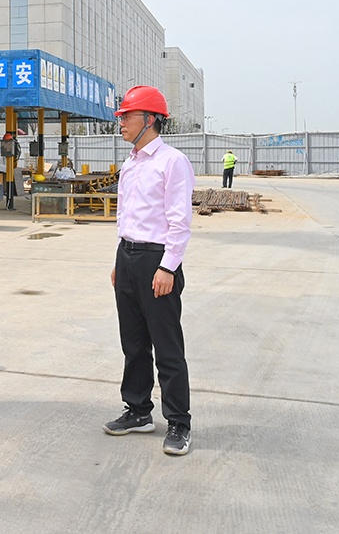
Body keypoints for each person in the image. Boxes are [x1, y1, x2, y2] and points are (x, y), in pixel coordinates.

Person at [103, 85, 195, 456]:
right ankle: (138, 410)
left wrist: (168, 267)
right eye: (122, 116)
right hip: (127, 258)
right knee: (134, 342)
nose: (121, 122)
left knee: (167, 346)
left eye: (127, 116)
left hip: (157, 261)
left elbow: (179, 220)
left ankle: (179, 422)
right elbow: (125, 216)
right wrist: (119, 260)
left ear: (150, 119)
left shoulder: (172, 162)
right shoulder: (130, 163)